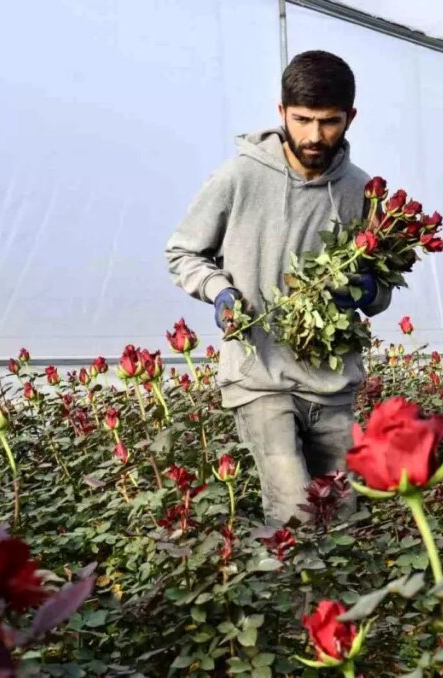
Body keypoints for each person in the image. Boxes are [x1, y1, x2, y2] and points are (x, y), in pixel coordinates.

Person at [165, 50, 392, 525]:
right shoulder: (238, 176)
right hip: (259, 374)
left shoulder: (361, 191)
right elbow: (183, 252)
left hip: (331, 384)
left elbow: (382, 290)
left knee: (345, 518)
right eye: (303, 119)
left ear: (350, 117)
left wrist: (366, 291)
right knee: (296, 512)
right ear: (281, 111)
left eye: (329, 122)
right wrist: (219, 290)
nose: (314, 135)